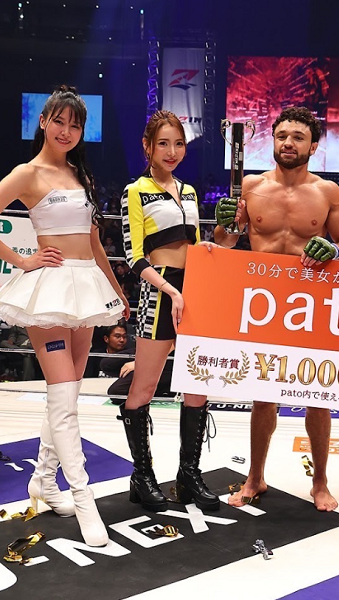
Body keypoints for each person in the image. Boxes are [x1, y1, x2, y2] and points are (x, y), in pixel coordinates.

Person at [0, 85, 128, 546]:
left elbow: (93, 242)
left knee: (66, 397)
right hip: (50, 289)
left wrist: (116, 291)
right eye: (59, 121)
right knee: (63, 396)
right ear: (43, 121)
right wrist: (22, 259)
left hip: (86, 289)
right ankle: (84, 498)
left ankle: (43, 480)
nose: (66, 131)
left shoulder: (80, 174)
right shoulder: (27, 173)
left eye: (75, 125)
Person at [214, 106, 339, 511]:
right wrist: (224, 225)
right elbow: (225, 241)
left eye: (298, 137)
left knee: (318, 396)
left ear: (313, 145)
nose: (288, 143)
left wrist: (332, 249)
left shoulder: (327, 192)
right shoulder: (251, 186)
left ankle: (320, 482)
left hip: (311, 302)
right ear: (272, 140)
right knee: (263, 397)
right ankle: (255, 477)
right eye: (282, 136)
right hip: (264, 302)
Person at [119, 109, 219, 513]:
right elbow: (133, 256)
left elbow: (191, 245)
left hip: (194, 289)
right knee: (144, 388)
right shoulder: (136, 190)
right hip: (157, 291)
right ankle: (142, 476)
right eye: (163, 143)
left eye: (178, 144)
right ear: (148, 146)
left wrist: (212, 245)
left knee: (197, 387)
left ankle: (189, 474)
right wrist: (170, 290)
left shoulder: (189, 191)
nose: (172, 151)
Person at [99, 322, 174, 404]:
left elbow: (174, 343)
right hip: (148, 346)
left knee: (116, 393)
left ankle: (163, 388)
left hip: (166, 359)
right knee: (106, 363)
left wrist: (140, 364)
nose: (121, 340)